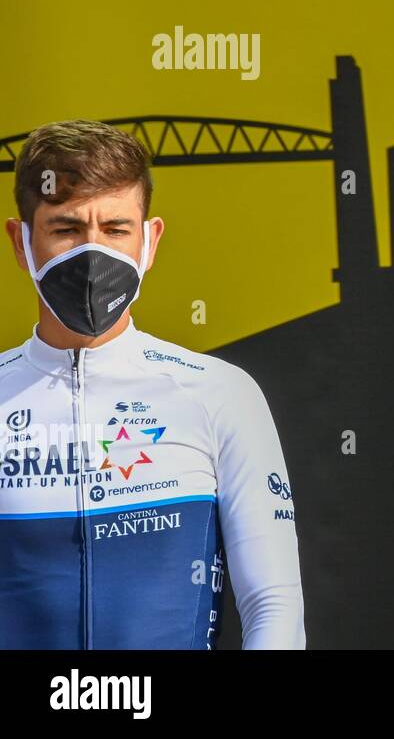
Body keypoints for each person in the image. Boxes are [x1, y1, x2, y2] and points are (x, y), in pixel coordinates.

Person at [0, 120, 305, 649]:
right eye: (66, 229)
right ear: (21, 242)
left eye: (116, 230)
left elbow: (274, 606)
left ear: (150, 240)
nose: (92, 256)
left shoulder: (219, 394)